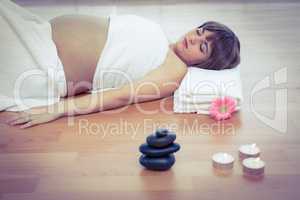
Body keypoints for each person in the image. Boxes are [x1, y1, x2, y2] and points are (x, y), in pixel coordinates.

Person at [6, 14, 240, 128]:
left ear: (206, 64)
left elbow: (121, 95)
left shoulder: (175, 69)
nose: (193, 38)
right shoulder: (162, 39)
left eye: (203, 46)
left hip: (42, 62)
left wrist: (56, 110)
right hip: (35, 29)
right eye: (199, 32)